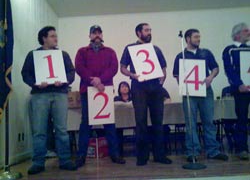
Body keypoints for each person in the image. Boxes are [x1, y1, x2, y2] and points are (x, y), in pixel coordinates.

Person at [21, 26, 77, 175]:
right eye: (52, 36)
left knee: (61, 130)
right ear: (44, 38)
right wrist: (35, 83)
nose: (55, 38)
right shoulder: (33, 55)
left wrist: (64, 81)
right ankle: (38, 162)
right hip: (40, 95)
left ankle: (64, 160)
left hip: (60, 94)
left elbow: (71, 72)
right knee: (39, 130)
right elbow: (25, 73)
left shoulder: (63, 55)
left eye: (55, 36)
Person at [173, 29, 228, 162]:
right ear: (187, 39)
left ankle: (212, 151)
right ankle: (192, 152)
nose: (198, 39)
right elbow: (176, 74)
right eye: (196, 37)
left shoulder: (206, 53)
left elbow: (215, 68)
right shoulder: (181, 55)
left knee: (208, 121)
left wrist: (211, 77)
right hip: (189, 92)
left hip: (205, 91)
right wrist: (183, 84)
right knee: (190, 123)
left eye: (199, 37)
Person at [120, 23, 172, 166]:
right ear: (138, 33)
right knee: (141, 122)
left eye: (150, 30)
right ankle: (142, 157)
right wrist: (133, 75)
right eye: (146, 30)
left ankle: (159, 155)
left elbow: (163, 67)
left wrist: (164, 76)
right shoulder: (130, 48)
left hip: (156, 87)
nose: (149, 32)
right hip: (138, 87)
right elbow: (122, 68)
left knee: (158, 122)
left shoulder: (156, 49)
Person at [75, 25, 126, 167]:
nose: (97, 35)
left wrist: (100, 81)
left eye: (99, 32)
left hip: (105, 91)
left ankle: (114, 155)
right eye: (94, 33)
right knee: (86, 124)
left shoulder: (110, 51)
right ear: (89, 35)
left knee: (109, 124)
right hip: (87, 91)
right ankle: (81, 157)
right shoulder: (82, 51)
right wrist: (94, 81)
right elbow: (79, 68)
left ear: (102, 35)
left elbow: (114, 68)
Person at [222, 23, 250, 160]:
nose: (249, 32)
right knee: (242, 118)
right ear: (237, 34)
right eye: (246, 31)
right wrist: (239, 84)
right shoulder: (230, 50)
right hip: (241, 90)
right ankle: (242, 148)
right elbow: (229, 70)